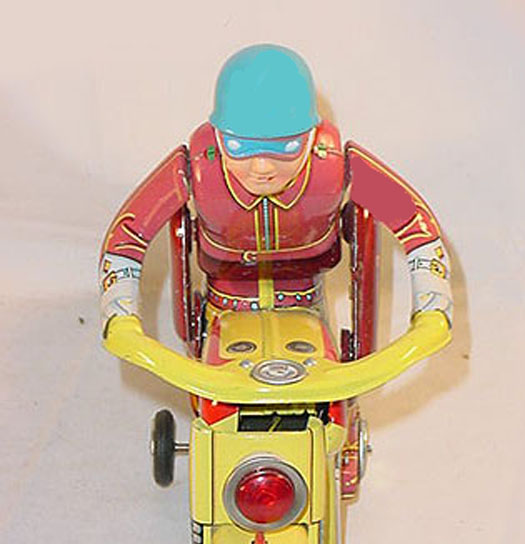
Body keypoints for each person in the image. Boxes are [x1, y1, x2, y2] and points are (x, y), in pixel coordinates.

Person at [99, 43, 452, 332]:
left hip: (305, 296)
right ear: (218, 137)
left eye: (286, 147)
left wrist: (432, 299)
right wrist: (120, 309)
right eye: (240, 147)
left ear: (312, 136)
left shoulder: (333, 163)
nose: (262, 168)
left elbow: (412, 221)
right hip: (225, 298)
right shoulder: (197, 165)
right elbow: (130, 233)